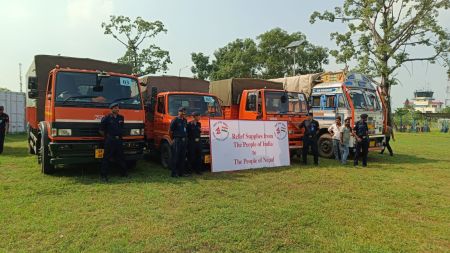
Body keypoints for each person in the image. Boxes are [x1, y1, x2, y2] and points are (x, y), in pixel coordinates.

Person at [99, 103, 127, 182]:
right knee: (106, 158)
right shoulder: (106, 118)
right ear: (111, 109)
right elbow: (101, 130)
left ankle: (123, 173)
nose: (117, 109)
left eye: (118, 108)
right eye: (115, 108)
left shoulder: (121, 117)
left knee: (121, 157)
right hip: (110, 140)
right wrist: (108, 137)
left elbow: (122, 128)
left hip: (119, 140)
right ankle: (104, 176)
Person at [170, 107, 188, 177]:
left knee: (182, 157)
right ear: (179, 112)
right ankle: (174, 173)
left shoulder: (185, 120)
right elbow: (170, 131)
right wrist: (174, 139)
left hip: (184, 140)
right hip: (177, 140)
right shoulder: (175, 120)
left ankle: (181, 172)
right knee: (175, 157)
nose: (183, 114)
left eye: (184, 112)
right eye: (182, 112)